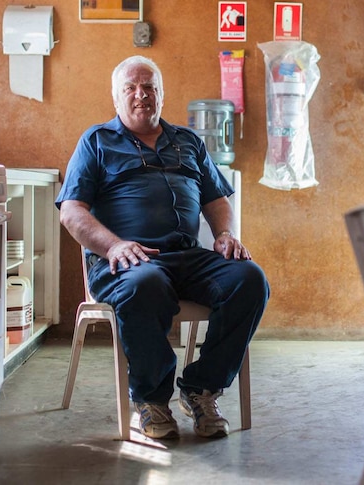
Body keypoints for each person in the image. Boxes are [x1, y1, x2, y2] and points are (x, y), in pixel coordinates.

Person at [55, 55, 269, 440]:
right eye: (131, 88)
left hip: (186, 256)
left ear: (162, 94)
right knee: (146, 284)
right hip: (124, 262)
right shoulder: (97, 142)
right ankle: (152, 400)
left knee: (249, 279)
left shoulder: (187, 141)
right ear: (116, 96)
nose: (141, 95)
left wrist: (223, 234)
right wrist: (115, 246)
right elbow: (72, 212)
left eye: (150, 87)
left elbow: (217, 199)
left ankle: (201, 389)